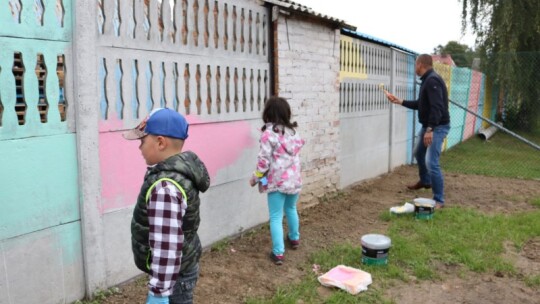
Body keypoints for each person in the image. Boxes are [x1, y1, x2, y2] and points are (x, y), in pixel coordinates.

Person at [123, 108, 210, 304]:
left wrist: (159, 293)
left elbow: (166, 245)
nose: (139, 148)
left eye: (142, 141)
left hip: (173, 280)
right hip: (180, 269)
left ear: (160, 142)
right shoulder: (178, 175)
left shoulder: (165, 187)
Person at [384, 54, 450, 209]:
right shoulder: (427, 80)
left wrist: (430, 129)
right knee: (418, 153)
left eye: (415, 65)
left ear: (420, 64)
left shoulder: (432, 80)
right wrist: (399, 101)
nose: (415, 68)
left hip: (437, 127)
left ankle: (439, 200)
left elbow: (437, 107)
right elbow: (421, 104)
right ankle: (425, 181)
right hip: (430, 125)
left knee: (431, 162)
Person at [249, 96, 305, 265]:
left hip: (277, 182)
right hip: (294, 181)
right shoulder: (293, 133)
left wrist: (255, 178)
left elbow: (263, 162)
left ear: (268, 113)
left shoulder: (268, 134)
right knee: (291, 208)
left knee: (275, 216)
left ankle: (278, 252)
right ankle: (294, 239)